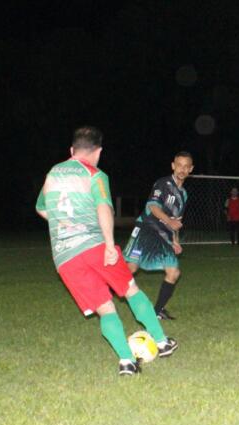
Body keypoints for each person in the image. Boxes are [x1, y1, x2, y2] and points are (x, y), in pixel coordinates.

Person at [35, 127, 177, 376]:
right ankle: (162, 342)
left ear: (71, 150)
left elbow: (42, 208)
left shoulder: (53, 173)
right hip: (94, 244)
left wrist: (64, 225)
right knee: (130, 289)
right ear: (98, 151)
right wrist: (110, 244)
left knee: (104, 308)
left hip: (64, 256)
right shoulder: (95, 174)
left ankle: (126, 361)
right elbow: (103, 208)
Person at [124, 151, 194, 320]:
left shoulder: (183, 194)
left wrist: (175, 240)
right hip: (145, 231)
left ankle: (157, 311)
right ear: (173, 166)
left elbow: (177, 219)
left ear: (191, 169)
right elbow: (153, 207)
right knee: (130, 269)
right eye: (179, 165)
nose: (182, 169)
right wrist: (169, 222)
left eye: (186, 166)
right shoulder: (163, 183)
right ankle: (101, 293)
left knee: (174, 272)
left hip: (163, 237)